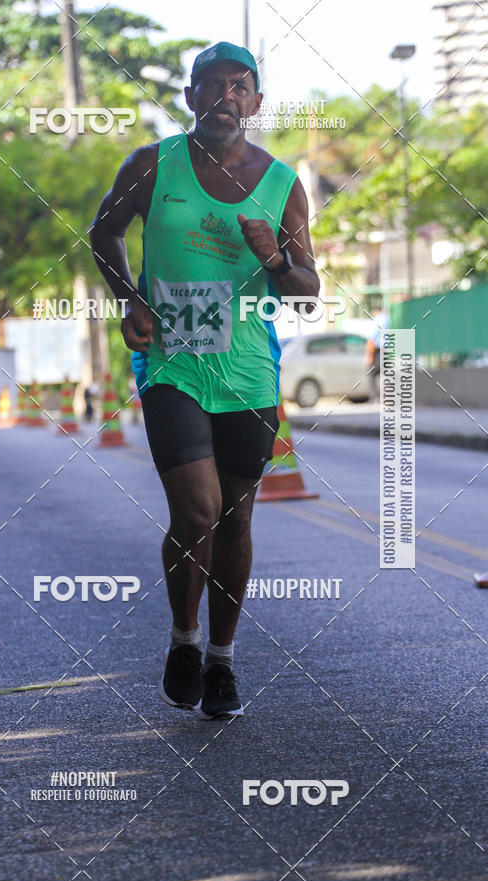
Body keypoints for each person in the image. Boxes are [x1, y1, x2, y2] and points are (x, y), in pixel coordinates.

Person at [91, 42, 319, 718]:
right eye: (210, 85)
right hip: (172, 363)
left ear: (256, 102)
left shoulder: (281, 183)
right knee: (196, 509)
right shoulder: (150, 165)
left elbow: (307, 292)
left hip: (247, 371)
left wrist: (275, 257)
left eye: (238, 87)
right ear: (190, 97)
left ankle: (221, 658)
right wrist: (130, 297)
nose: (224, 96)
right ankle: (183, 638)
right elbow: (103, 234)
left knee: (236, 515)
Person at [365, 306, 390, 401]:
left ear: (375, 311)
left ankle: (374, 397)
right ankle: (388, 396)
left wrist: (369, 355)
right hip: (387, 349)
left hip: (378, 350)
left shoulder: (377, 320)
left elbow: (372, 338)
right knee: (385, 373)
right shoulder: (387, 319)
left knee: (371, 373)